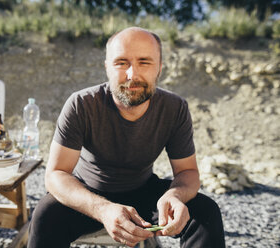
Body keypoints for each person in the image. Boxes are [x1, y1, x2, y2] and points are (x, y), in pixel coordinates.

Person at [28, 27, 225, 248]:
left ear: (159, 67)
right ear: (107, 68)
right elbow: (56, 174)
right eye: (121, 63)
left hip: (144, 191)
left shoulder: (174, 108)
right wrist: (102, 209)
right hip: (90, 192)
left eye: (145, 62)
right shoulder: (81, 105)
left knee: (206, 212)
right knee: (45, 215)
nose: (132, 75)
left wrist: (175, 196)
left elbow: (187, 172)